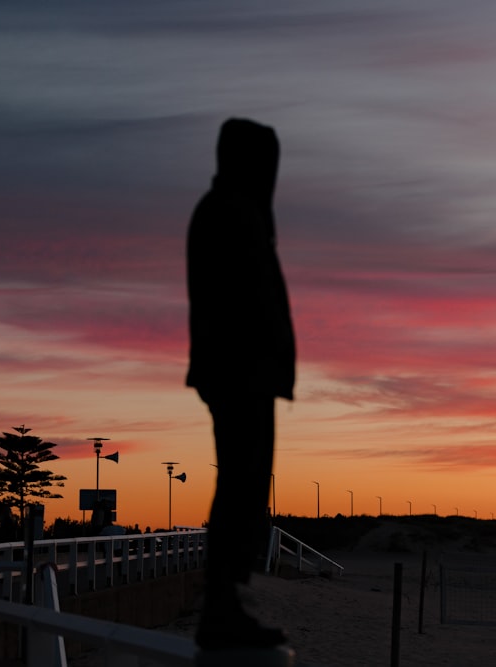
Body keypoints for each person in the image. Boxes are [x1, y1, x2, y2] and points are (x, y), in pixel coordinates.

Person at [186, 118, 296, 650]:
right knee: (240, 486)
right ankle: (221, 606)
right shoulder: (230, 213)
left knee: (245, 487)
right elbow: (238, 303)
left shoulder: (237, 212)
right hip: (239, 373)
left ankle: (226, 601)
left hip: (245, 372)